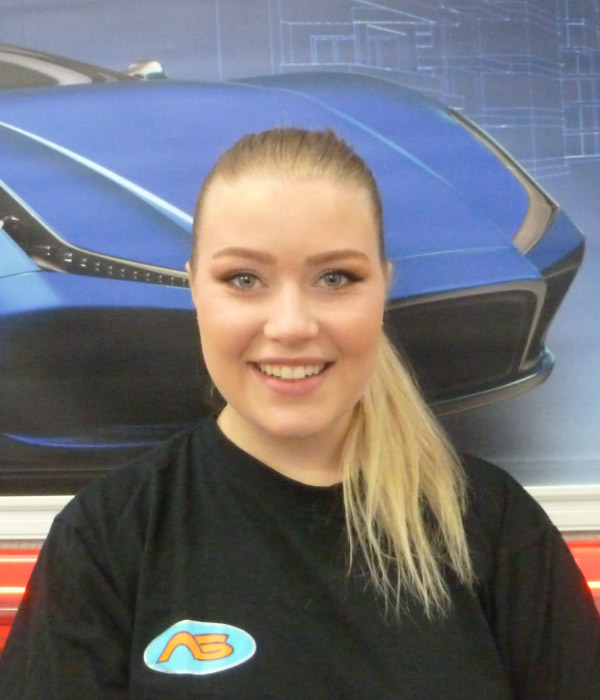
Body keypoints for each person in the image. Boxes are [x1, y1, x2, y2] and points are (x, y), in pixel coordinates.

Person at [0, 127, 598, 699]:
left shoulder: (495, 529)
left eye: (335, 277)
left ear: (383, 288)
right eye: (244, 279)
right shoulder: (108, 539)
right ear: (194, 289)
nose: (291, 326)